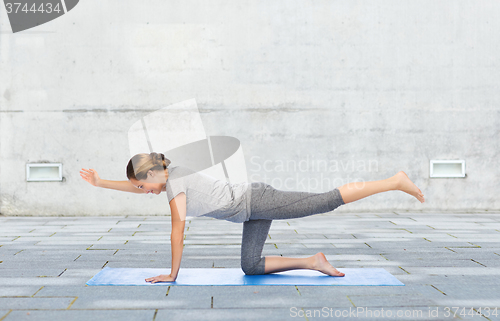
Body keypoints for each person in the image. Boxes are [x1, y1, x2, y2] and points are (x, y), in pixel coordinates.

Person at [80, 152, 425, 284]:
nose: (145, 192)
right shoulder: (167, 175)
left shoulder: (175, 189)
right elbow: (136, 186)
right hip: (249, 210)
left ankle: (394, 181)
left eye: (145, 186)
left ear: (155, 173)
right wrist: (100, 183)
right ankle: (314, 261)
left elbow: (176, 233)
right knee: (250, 265)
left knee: (325, 202)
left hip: (258, 200)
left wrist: (172, 274)